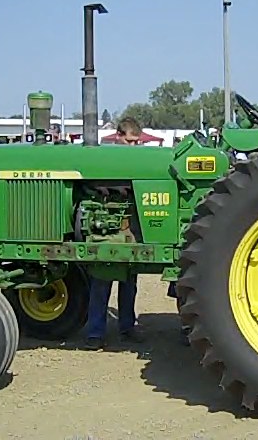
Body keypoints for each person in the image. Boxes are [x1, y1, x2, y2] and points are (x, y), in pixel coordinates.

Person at [85, 117, 144, 350]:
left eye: (136, 143)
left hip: (130, 227)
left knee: (130, 280)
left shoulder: (137, 161)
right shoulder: (105, 158)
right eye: (129, 141)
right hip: (106, 224)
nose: (133, 147)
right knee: (101, 279)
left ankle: (127, 326)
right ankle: (95, 333)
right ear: (118, 136)